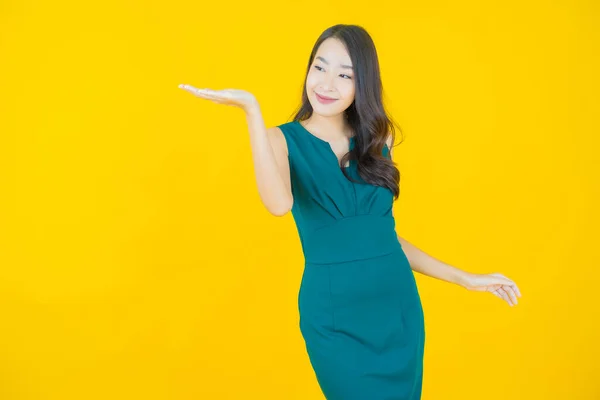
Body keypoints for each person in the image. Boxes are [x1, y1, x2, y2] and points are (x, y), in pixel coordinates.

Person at [179, 24, 522, 400]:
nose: (327, 84)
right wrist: (251, 112)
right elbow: (279, 205)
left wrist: (465, 278)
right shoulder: (280, 139)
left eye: (345, 75)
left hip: (397, 311)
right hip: (334, 317)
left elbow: (384, 239)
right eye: (320, 68)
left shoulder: (379, 140)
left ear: (364, 84)